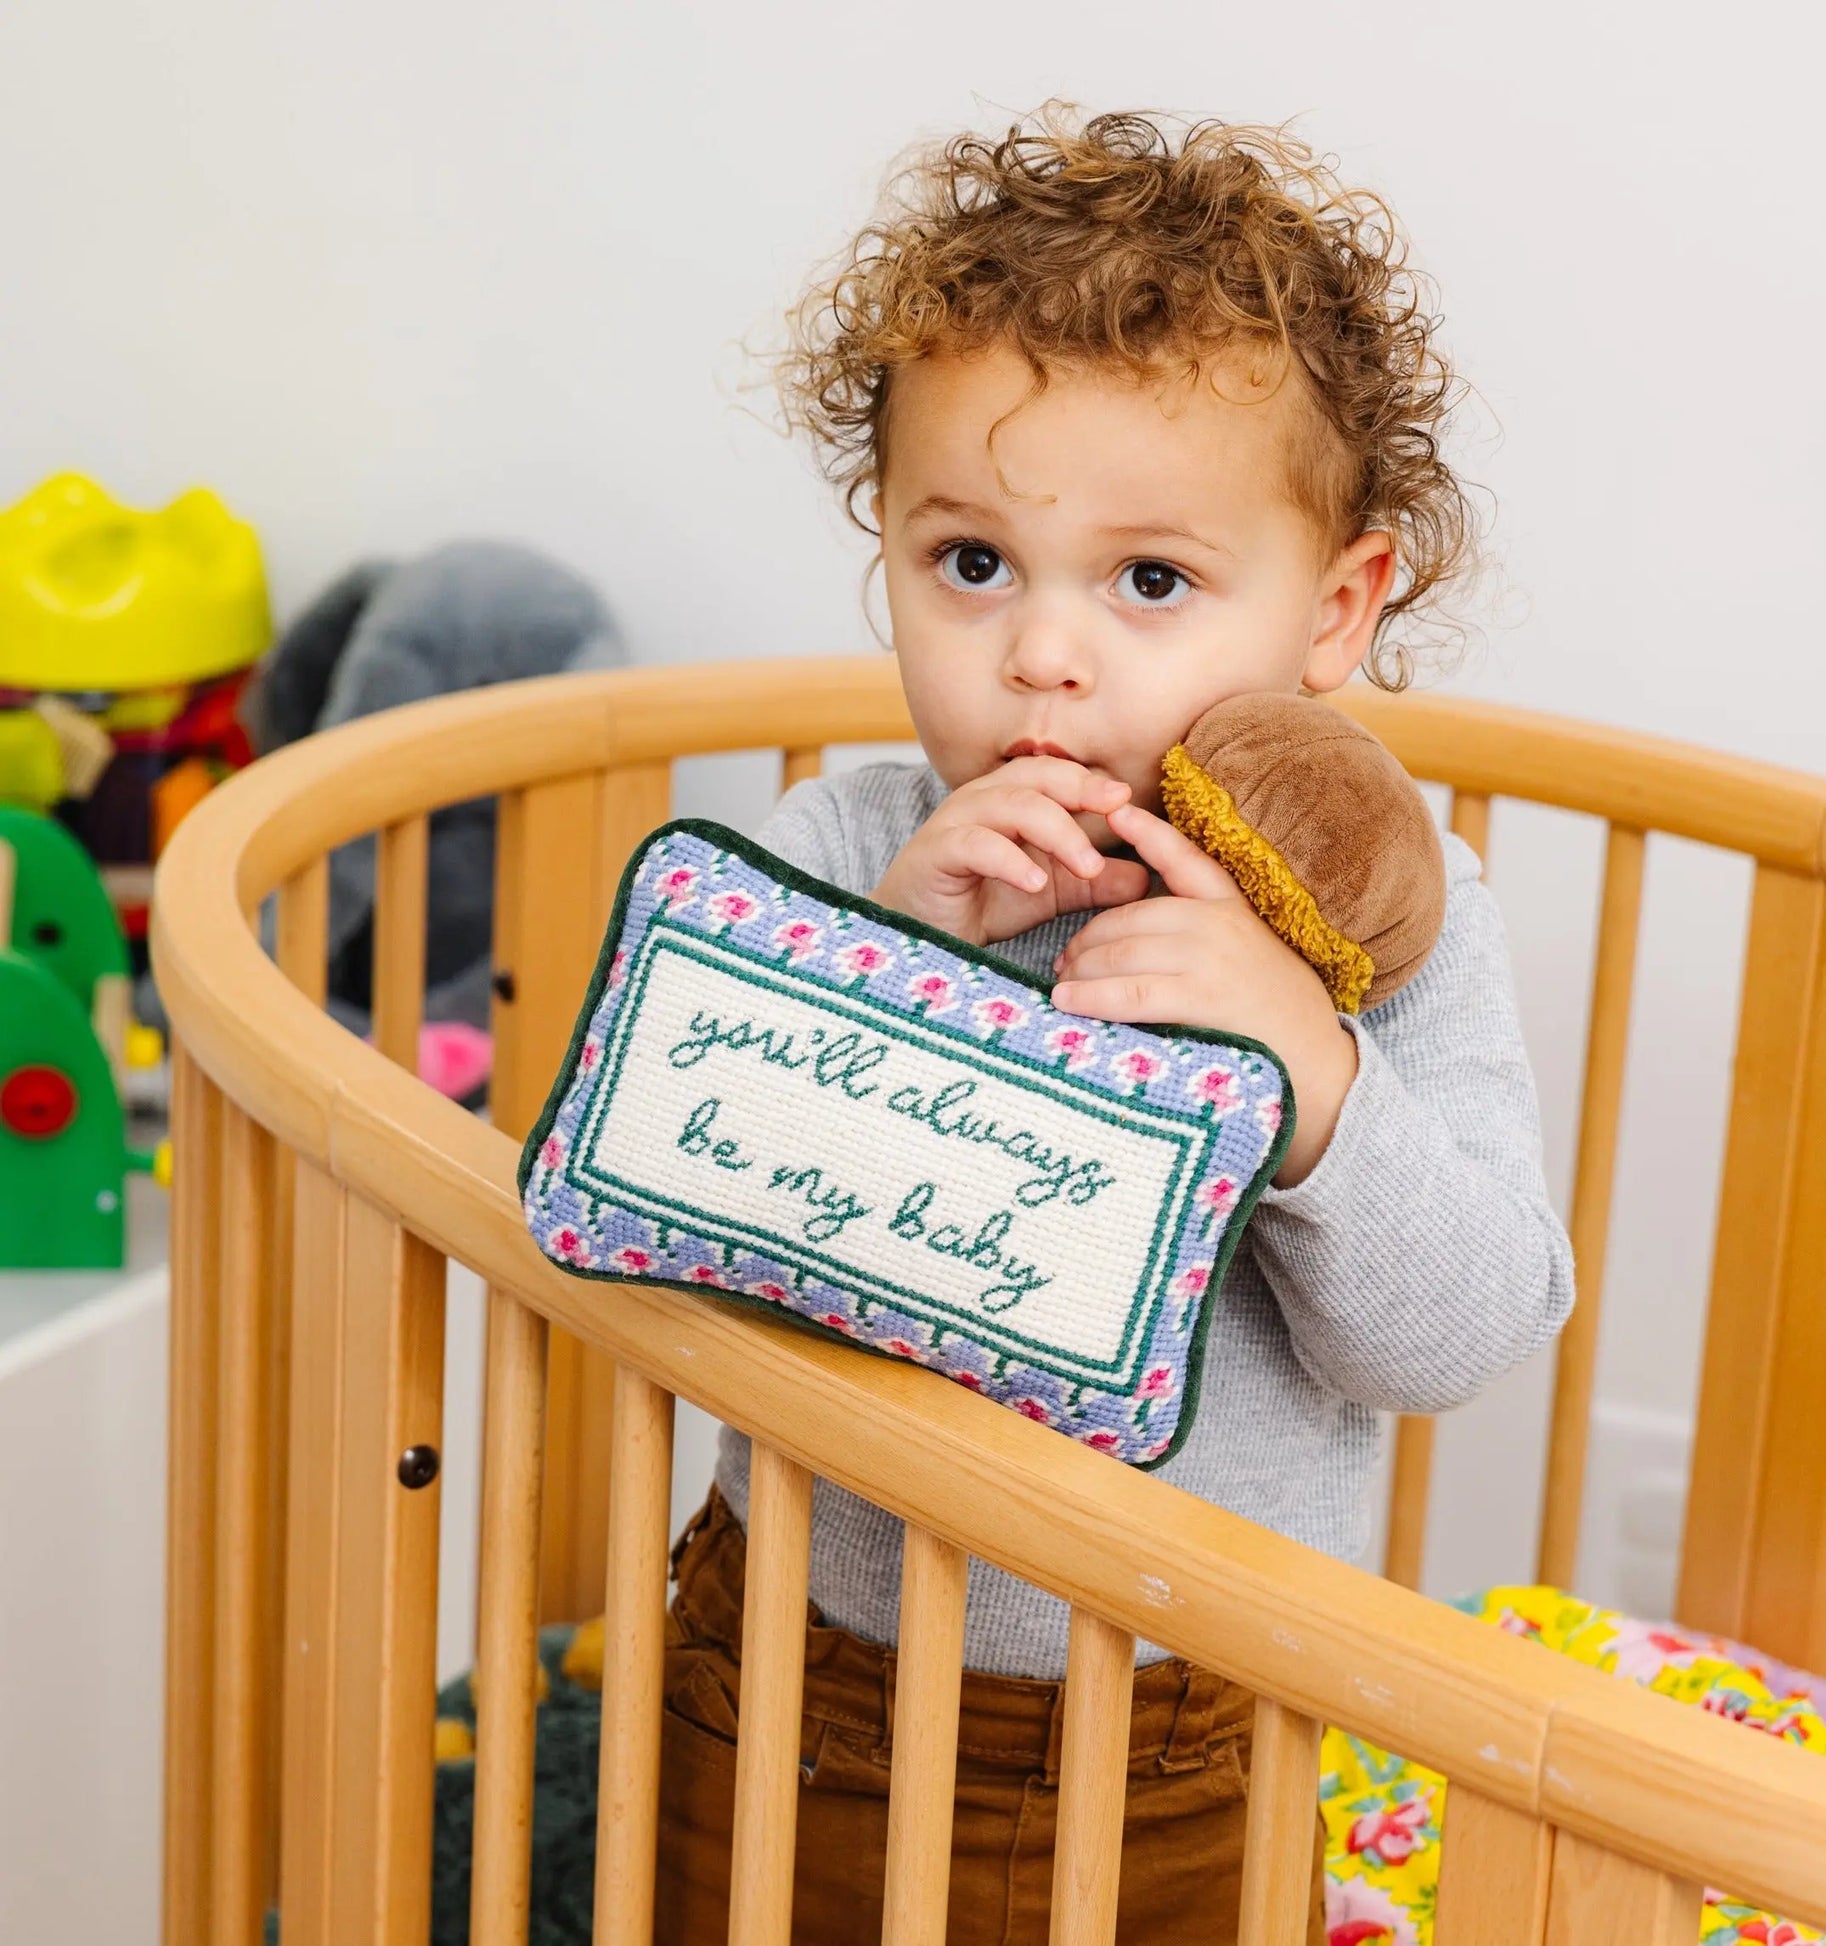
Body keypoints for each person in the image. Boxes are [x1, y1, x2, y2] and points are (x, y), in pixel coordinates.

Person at [654, 103, 1575, 1945]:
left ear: (1335, 609)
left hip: (1188, 1721)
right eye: (969, 560)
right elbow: (687, 1248)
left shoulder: (1382, 925)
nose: (1039, 653)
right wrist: (895, 957)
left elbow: (1461, 1332)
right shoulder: (840, 850)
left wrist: (1313, 1079)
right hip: (800, 1681)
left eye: (1150, 581)